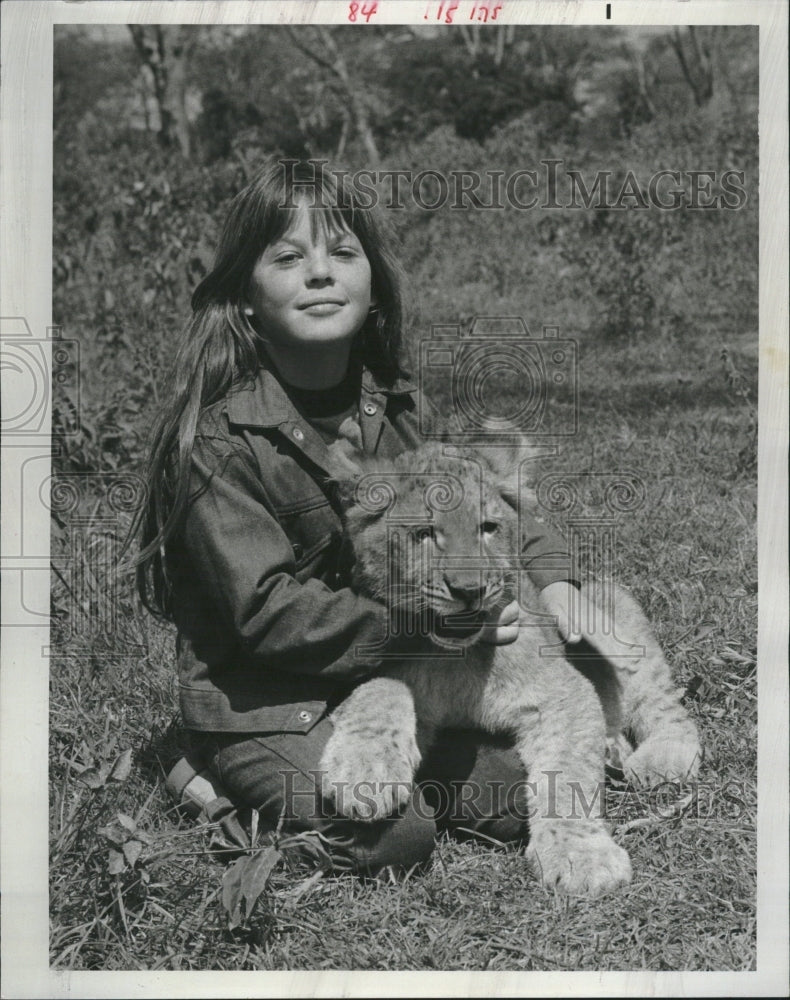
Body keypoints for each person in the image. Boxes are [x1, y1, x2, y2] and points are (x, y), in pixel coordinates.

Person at [134, 159, 585, 876]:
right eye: (288, 257)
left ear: (372, 282)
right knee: (393, 839)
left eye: (342, 253)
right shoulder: (218, 441)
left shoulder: (399, 405)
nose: (320, 273)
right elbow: (267, 613)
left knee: (509, 800)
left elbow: (477, 502)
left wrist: (556, 578)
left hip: (382, 680)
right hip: (266, 696)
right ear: (245, 297)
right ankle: (196, 768)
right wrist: (427, 626)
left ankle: (372, 759)